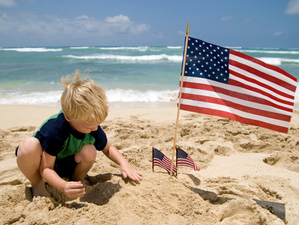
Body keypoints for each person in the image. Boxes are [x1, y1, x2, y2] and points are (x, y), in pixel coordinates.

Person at [15, 70, 142, 199]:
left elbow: (108, 148)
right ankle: (38, 185)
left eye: (96, 125)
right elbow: (46, 168)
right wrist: (62, 186)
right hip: (43, 163)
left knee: (90, 150)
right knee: (28, 146)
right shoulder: (55, 129)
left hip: (67, 163)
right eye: (89, 126)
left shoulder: (91, 126)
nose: (94, 129)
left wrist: (123, 163)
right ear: (69, 118)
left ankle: (76, 181)